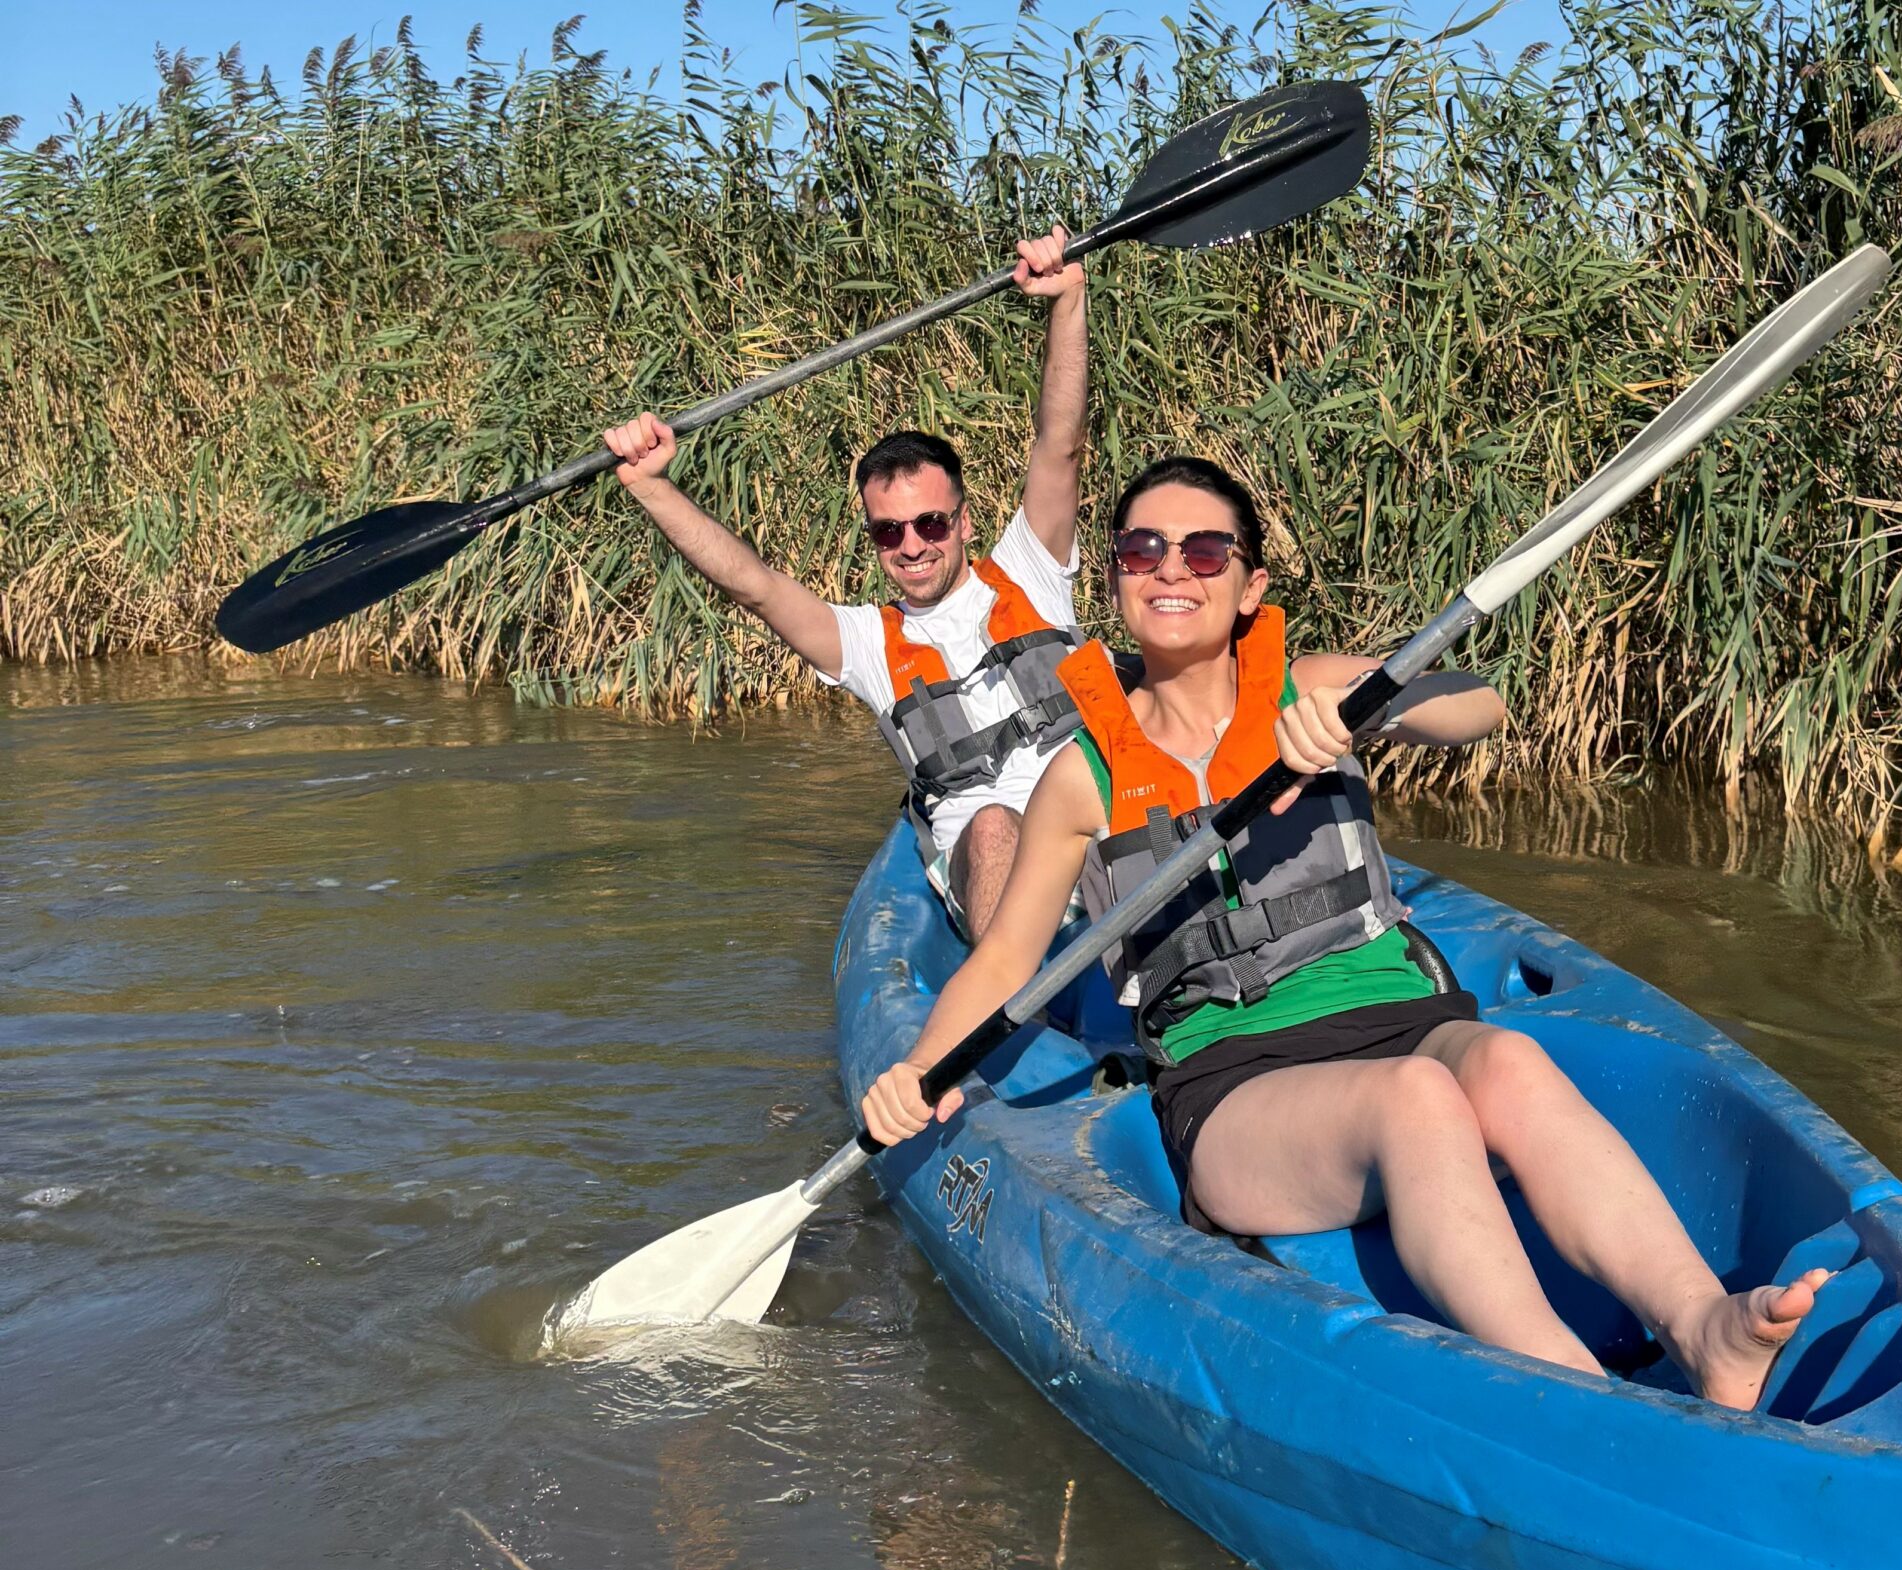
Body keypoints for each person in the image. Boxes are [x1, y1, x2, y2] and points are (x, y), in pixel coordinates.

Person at [858, 456, 1829, 1411]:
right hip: (1234, 1077)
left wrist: (1367, 710)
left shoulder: (1312, 687)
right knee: (1416, 1100)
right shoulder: (1083, 776)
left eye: (1203, 550)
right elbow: (1007, 958)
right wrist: (918, 1073)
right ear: (1113, 578)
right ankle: (1570, 1389)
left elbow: (1478, 705)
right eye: (1141, 548)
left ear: (1249, 586)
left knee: (1509, 1067)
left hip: (1400, 1013)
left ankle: (1703, 1326)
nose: (1169, 568)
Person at [601, 226, 1091, 936]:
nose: (912, 547)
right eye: (888, 532)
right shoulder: (864, 641)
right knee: (988, 827)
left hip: (1097, 824)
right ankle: (1011, 1018)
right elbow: (755, 586)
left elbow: (1061, 444)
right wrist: (652, 488)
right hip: (1000, 863)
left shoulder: (1030, 570)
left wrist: (1066, 299)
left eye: (929, 524)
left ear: (963, 520)